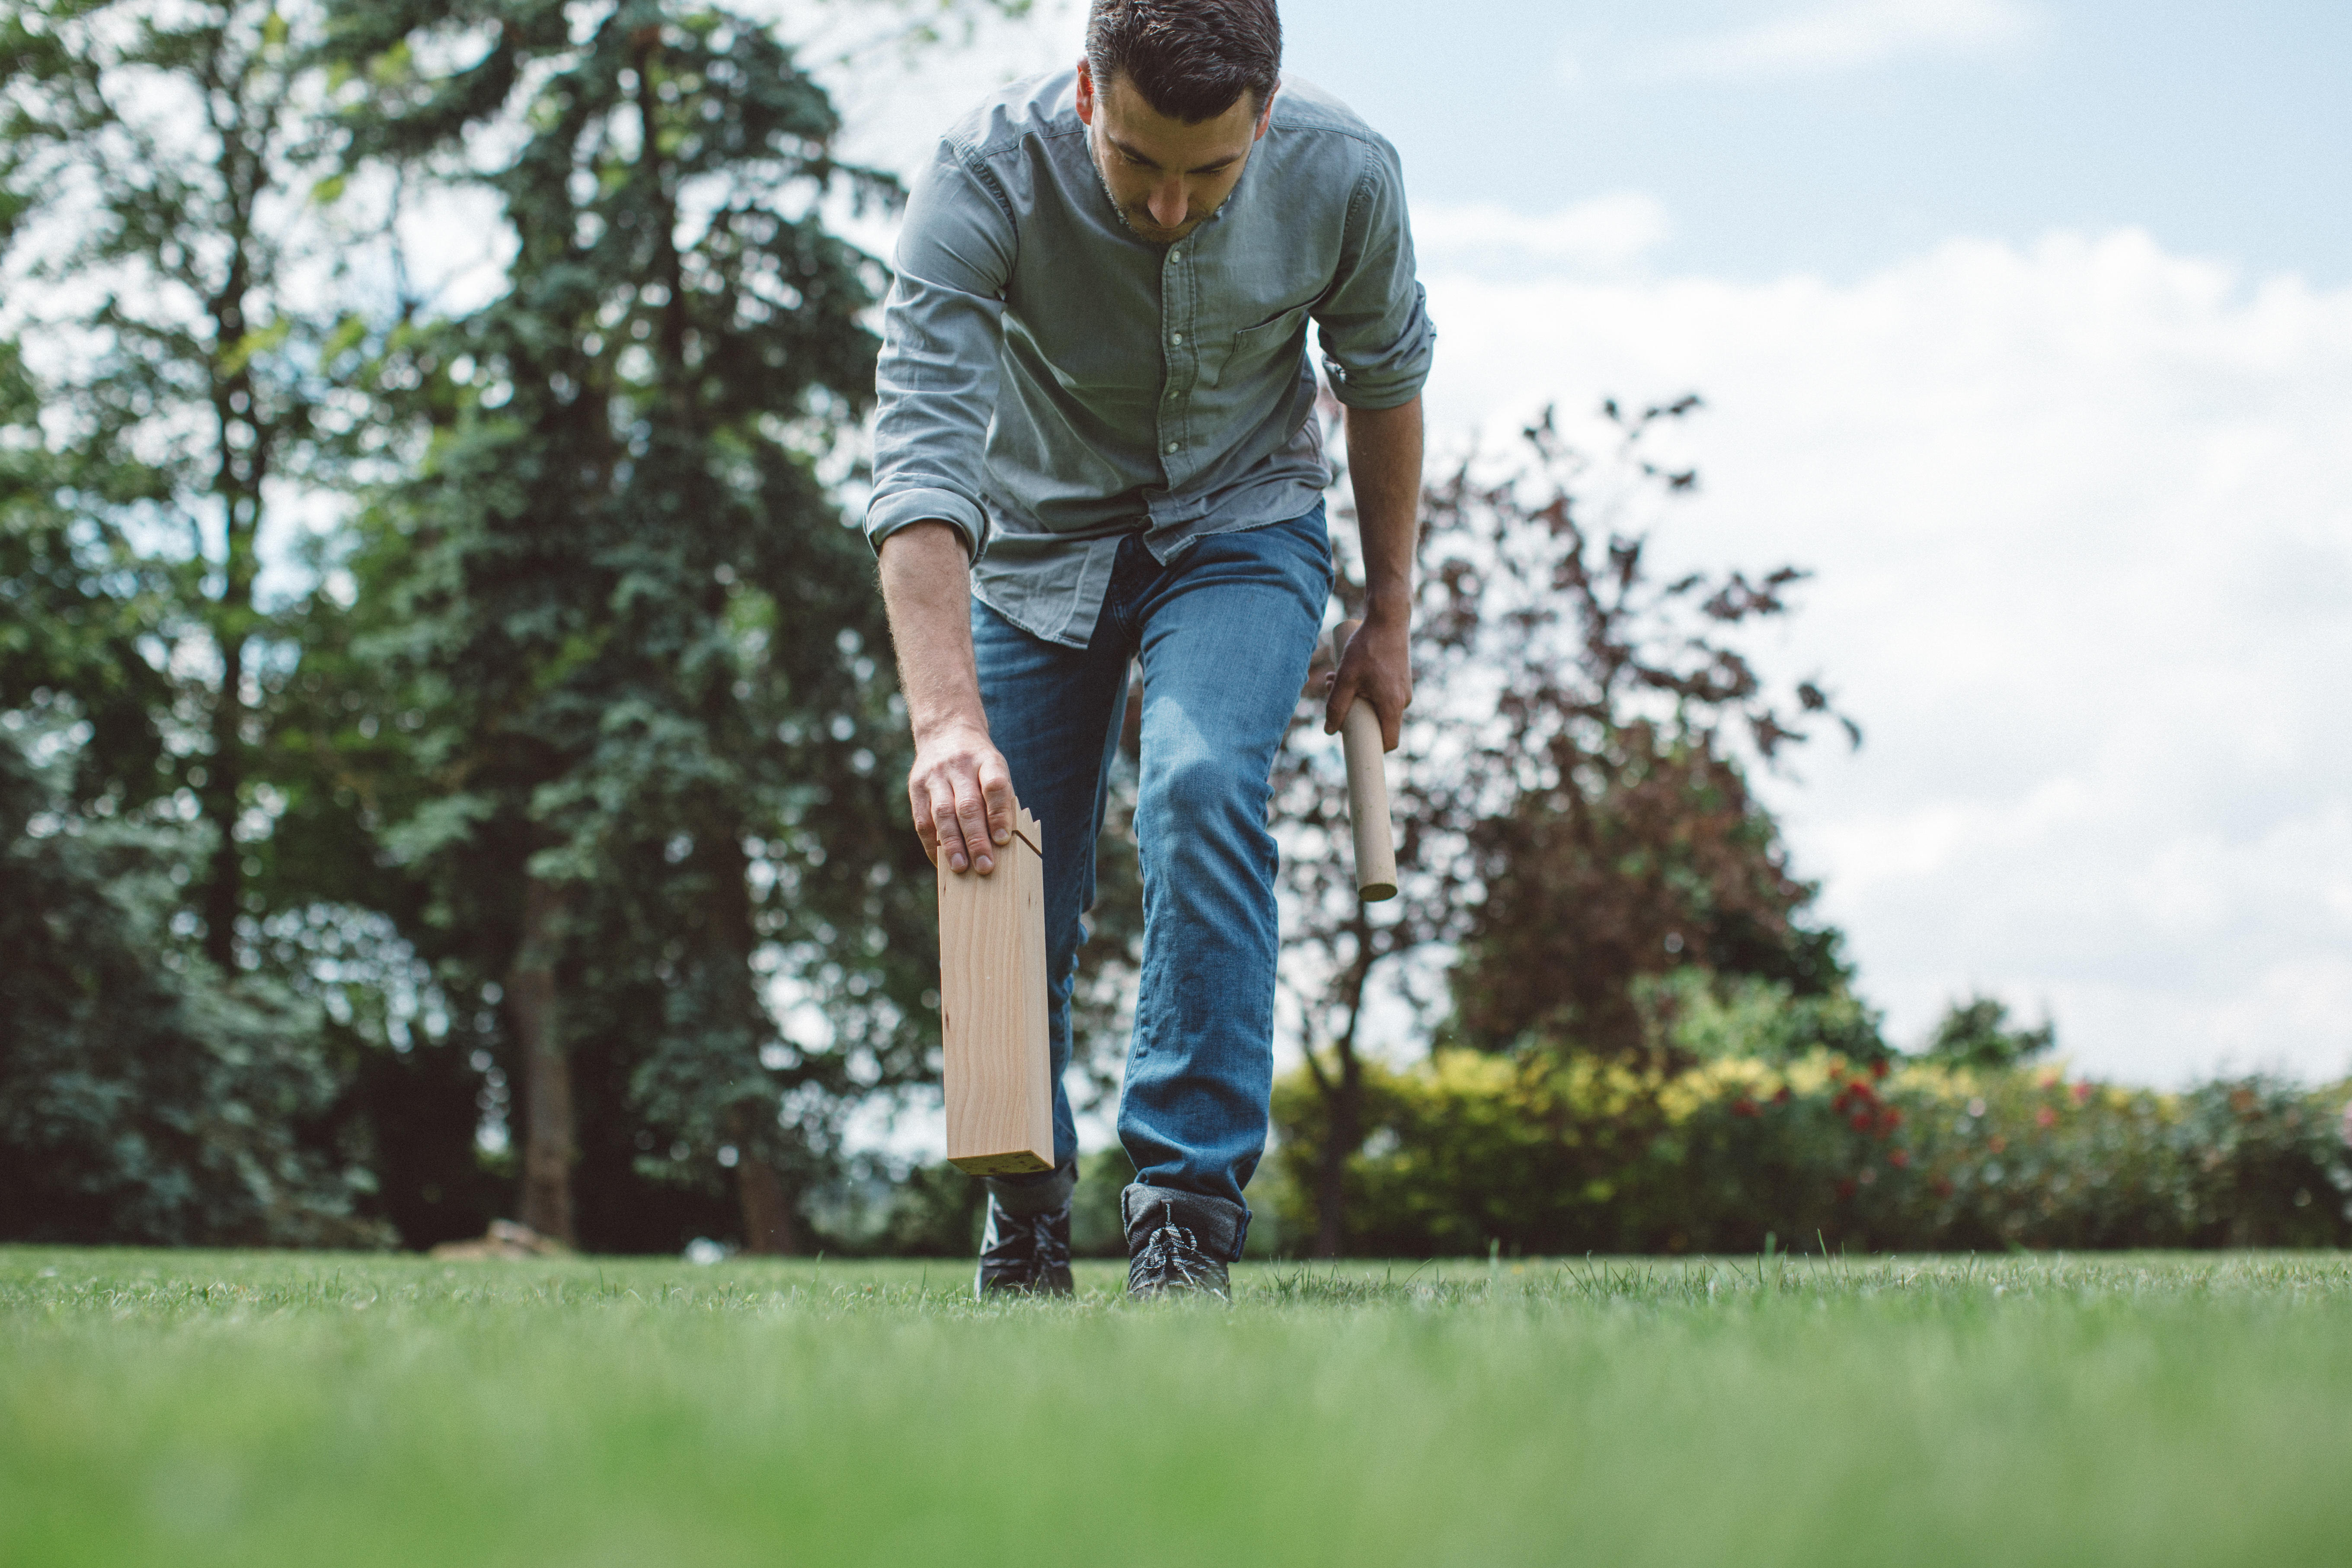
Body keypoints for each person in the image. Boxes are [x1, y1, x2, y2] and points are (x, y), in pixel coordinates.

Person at [868, 0, 1431, 1297]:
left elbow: (1385, 378)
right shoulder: (979, 177)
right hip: (1035, 542)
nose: (1171, 207)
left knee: (1197, 784)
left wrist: (1389, 614)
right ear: (1086, 95)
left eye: (1212, 175)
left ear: (1266, 120)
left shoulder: (1346, 175)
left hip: (1242, 524)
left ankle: (1184, 1206)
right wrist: (947, 726)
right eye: (1138, 165)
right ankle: (1026, 1200)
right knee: (1004, 858)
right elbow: (919, 467)